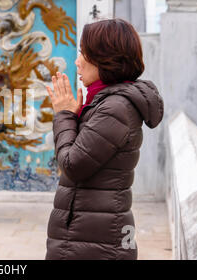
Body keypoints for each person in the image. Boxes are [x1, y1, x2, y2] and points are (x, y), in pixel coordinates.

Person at [45, 18, 164, 260]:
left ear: (104, 57)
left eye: (83, 53)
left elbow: (73, 164)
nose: (77, 62)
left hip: (97, 240)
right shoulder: (103, 102)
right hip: (88, 232)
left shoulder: (115, 107)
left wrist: (65, 115)